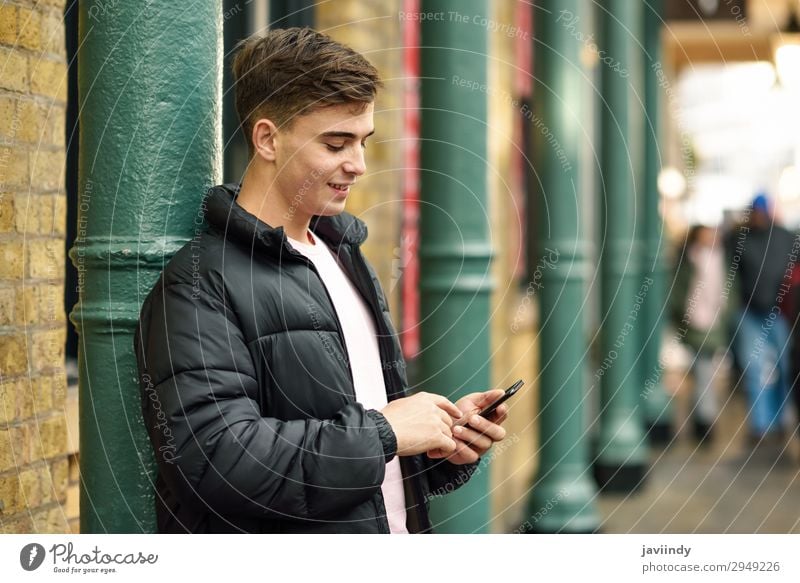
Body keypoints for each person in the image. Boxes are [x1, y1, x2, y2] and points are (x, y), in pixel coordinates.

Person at [133, 27, 509, 534]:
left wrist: (441, 444)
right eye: (336, 143)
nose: (357, 164)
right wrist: (385, 433)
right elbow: (218, 464)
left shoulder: (346, 257)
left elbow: (367, 453)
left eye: (362, 141)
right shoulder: (198, 285)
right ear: (268, 138)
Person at [727, 194, 796, 444]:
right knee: (754, 369)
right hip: (750, 312)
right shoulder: (740, 239)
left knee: (784, 368)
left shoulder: (786, 237)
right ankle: (760, 424)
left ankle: (779, 421)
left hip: (780, 313)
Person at [670, 225, 729, 444]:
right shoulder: (688, 260)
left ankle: (703, 421)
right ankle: (704, 421)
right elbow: (677, 291)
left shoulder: (721, 260)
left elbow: (727, 293)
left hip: (713, 324)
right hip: (693, 324)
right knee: (702, 371)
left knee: (703, 371)